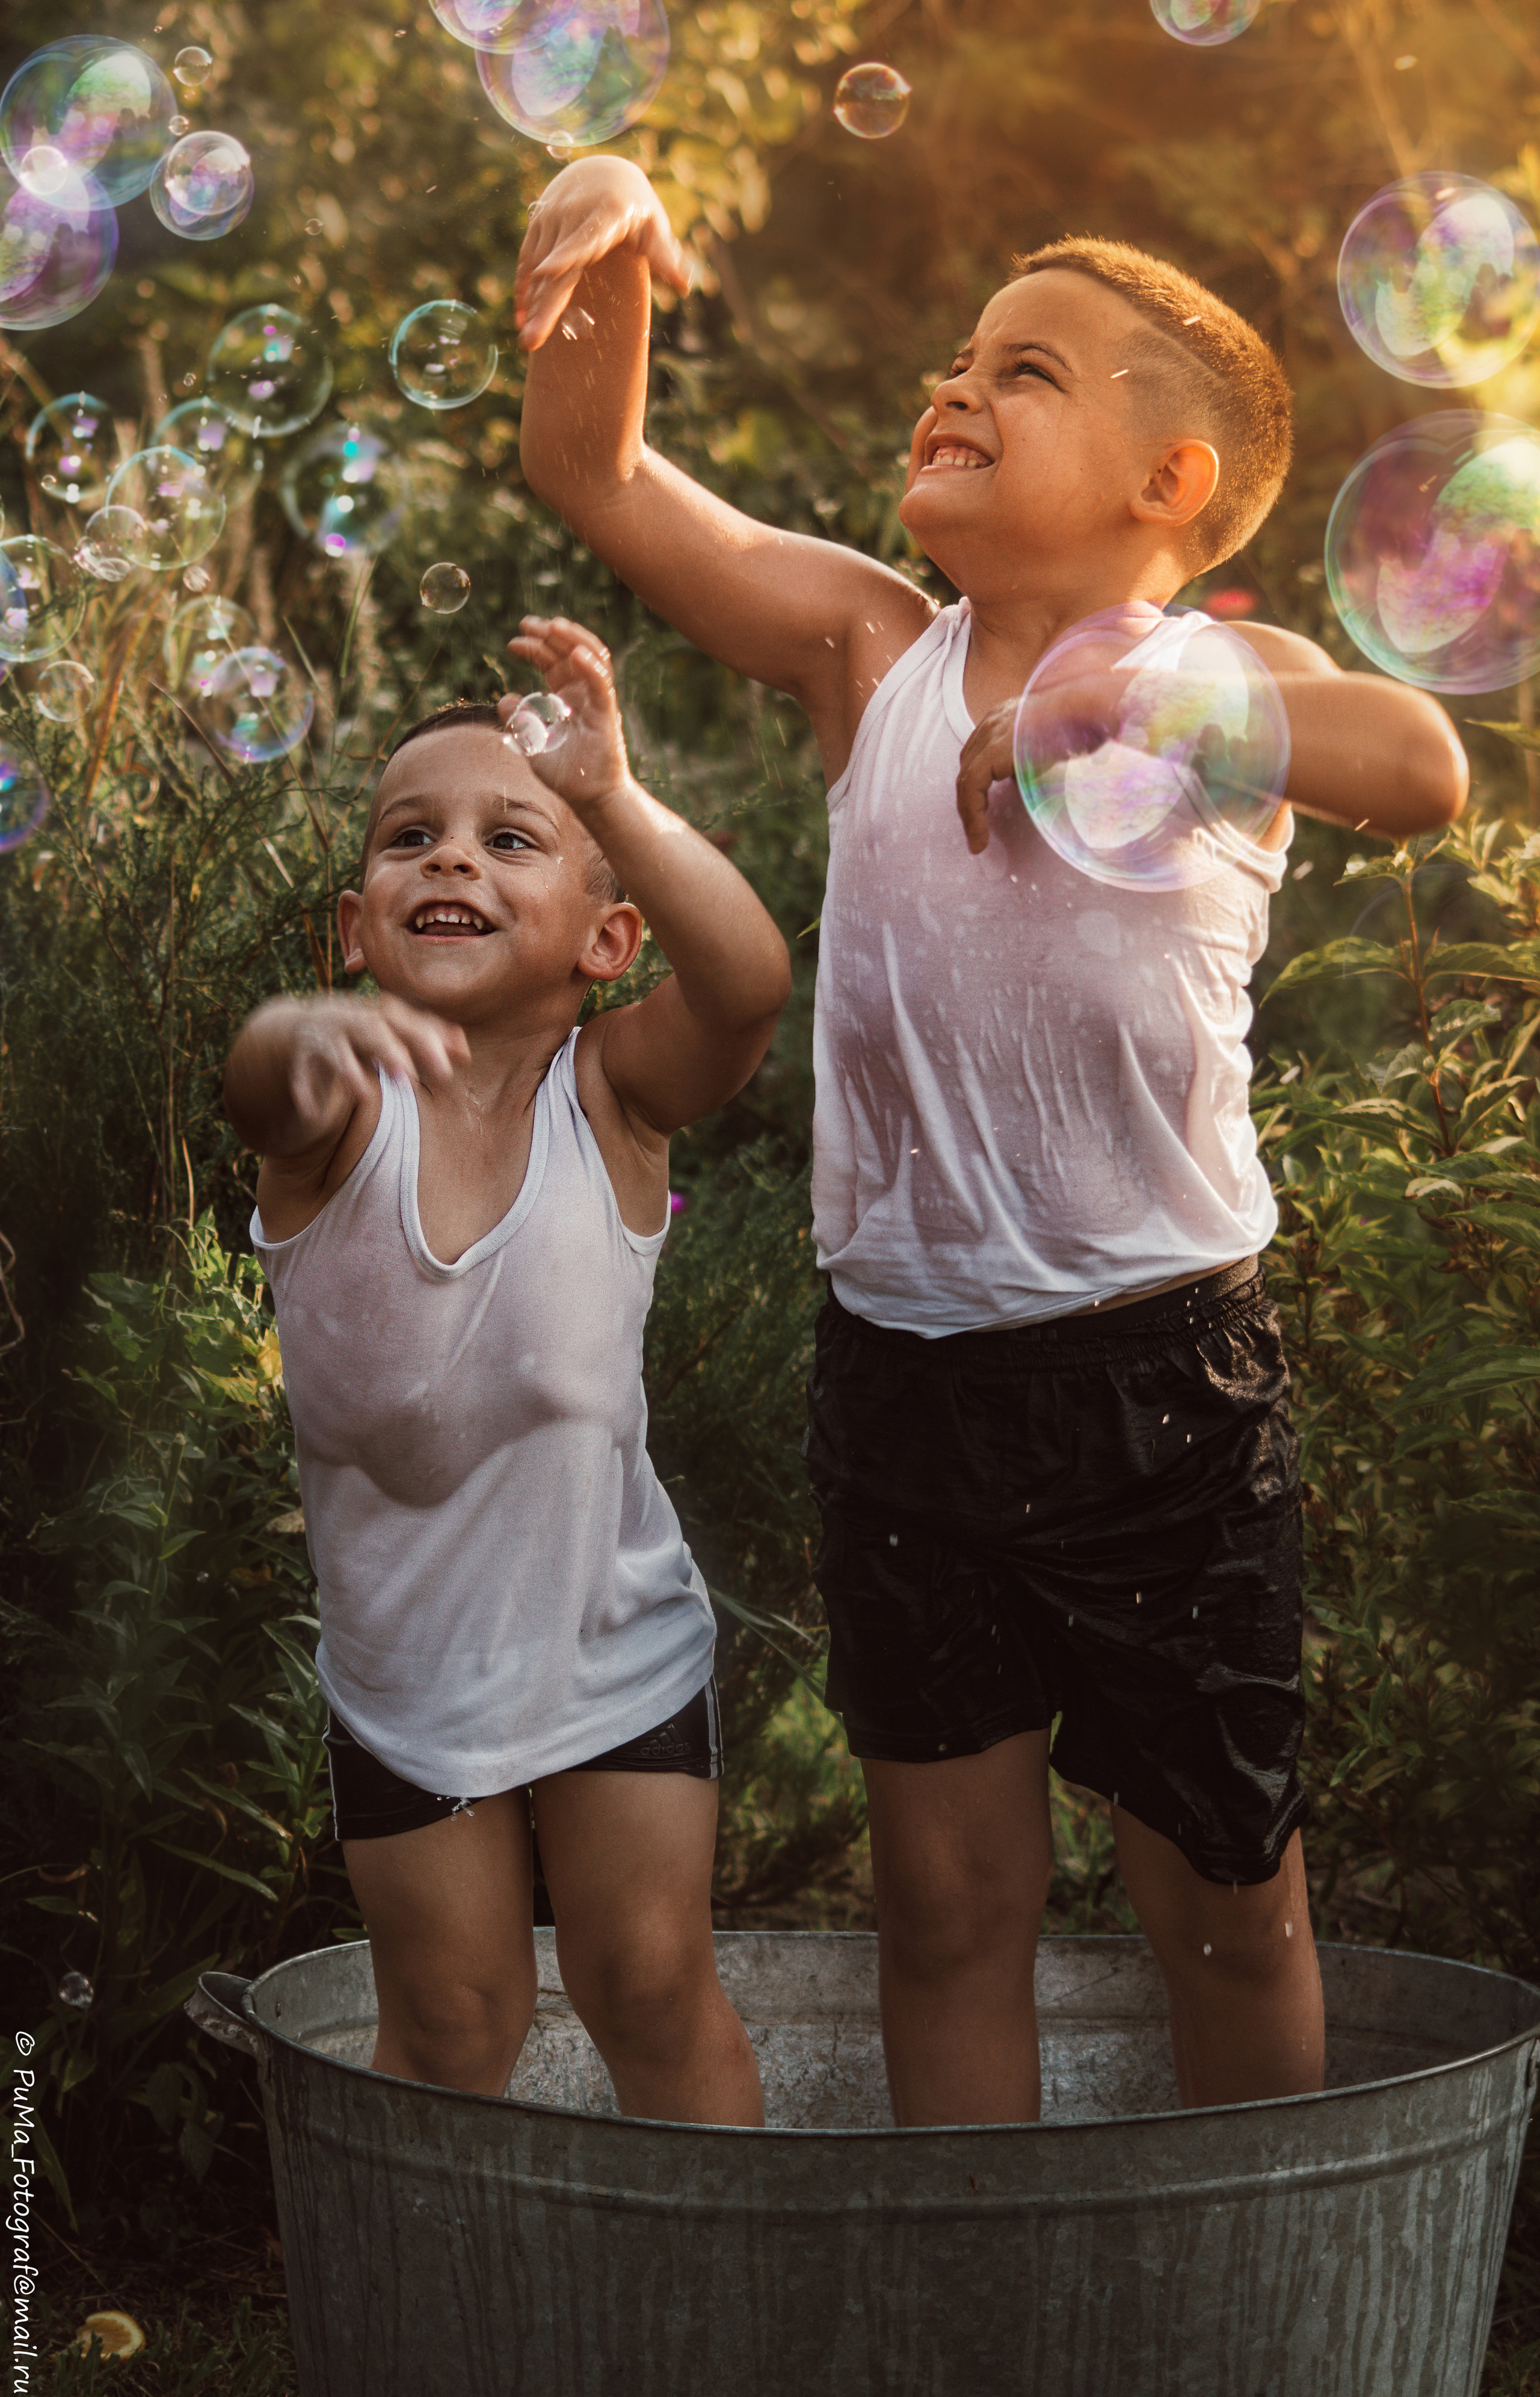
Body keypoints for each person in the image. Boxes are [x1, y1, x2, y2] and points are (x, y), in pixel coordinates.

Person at [512, 161, 1470, 2129]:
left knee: (1224, 1904)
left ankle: (1234, 2275)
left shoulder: (1216, 687)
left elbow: (1423, 764)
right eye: (956, 359)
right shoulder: (878, 650)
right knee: (948, 1907)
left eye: (1021, 371)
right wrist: (603, 234)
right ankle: (985, 2278)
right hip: (909, 1384)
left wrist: (1133, 713)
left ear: (1168, 483)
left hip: (1159, 1386)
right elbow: (598, 477)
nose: (952, 386)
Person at [224, 612, 790, 2124]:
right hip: (406, 1674)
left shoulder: (609, 1101)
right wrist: (301, 1031)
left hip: (615, 1645)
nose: (453, 860)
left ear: (606, 944)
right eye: (411, 838)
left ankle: (724, 2268)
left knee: (648, 1985)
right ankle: (434, 2264)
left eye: (510, 839)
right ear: (356, 930)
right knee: (454, 2019)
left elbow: (744, 986)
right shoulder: (339, 1112)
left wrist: (609, 793)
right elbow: (260, 1082)